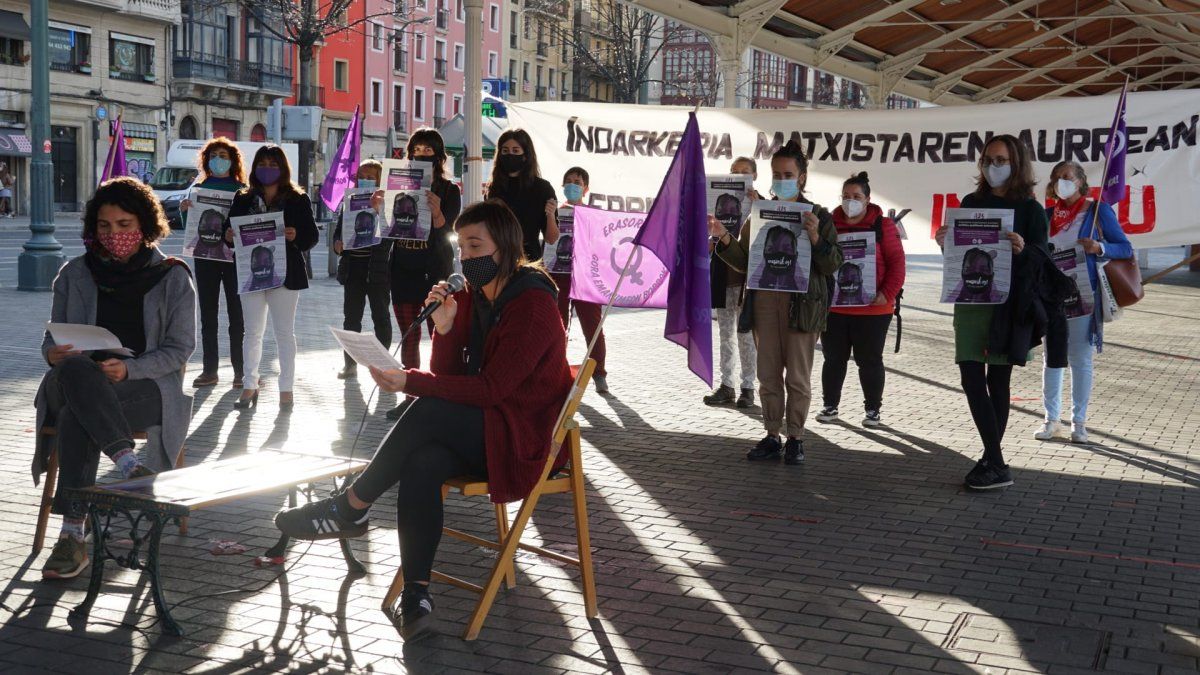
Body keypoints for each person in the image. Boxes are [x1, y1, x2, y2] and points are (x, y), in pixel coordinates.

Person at [273, 200, 572, 640]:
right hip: (483, 425)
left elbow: (491, 390)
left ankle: (351, 506)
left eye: (476, 246)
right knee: (423, 462)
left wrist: (411, 380)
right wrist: (447, 329)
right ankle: (417, 593)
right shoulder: (473, 297)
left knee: (427, 408)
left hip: (522, 436)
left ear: (506, 247)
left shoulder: (532, 302)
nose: (466, 257)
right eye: (461, 246)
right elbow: (453, 379)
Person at [34, 177, 196, 579]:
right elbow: (51, 338)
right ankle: (127, 462)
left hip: (142, 386)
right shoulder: (74, 272)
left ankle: (72, 535)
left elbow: (180, 349)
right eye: (105, 227)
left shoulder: (173, 276)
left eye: (124, 225)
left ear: (144, 225)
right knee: (74, 369)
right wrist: (50, 352)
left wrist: (130, 369)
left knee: (78, 417)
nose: (114, 235)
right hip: (72, 378)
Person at [712, 141, 843, 466]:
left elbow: (833, 264)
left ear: (801, 177)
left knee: (797, 378)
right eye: (776, 174)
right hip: (764, 305)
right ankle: (772, 434)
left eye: (788, 174)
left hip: (802, 309)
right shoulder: (759, 213)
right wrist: (723, 236)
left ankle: (795, 439)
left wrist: (815, 238)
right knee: (768, 376)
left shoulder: (818, 216)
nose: (781, 179)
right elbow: (744, 261)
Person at [934, 134, 1051, 490]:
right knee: (971, 378)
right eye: (988, 159)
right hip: (970, 303)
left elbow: (1042, 261)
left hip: (1009, 305)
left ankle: (991, 461)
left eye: (1001, 160)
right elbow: (960, 257)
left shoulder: (1031, 210)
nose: (993, 166)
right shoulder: (971, 201)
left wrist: (1023, 249)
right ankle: (996, 460)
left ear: (1016, 164)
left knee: (998, 381)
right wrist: (945, 242)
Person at [1036, 160, 1132, 444]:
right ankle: (1051, 420)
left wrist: (1099, 247)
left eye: (1068, 177)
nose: (1062, 182)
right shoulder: (1047, 214)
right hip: (1050, 294)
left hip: (1083, 294)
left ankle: (1079, 423)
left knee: (1080, 359)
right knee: (1051, 358)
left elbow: (1125, 247)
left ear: (1080, 182)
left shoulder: (1096, 210)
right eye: (1057, 178)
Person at [224, 145, 318, 412]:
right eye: (263, 163)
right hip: (250, 274)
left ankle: (286, 389)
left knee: (284, 334)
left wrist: (295, 235)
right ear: (255, 168)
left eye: (273, 164)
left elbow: (311, 237)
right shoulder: (242, 198)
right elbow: (227, 231)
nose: (268, 169)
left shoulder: (297, 199)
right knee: (252, 332)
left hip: (285, 275)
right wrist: (228, 236)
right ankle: (249, 385)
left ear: (283, 168)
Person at [817, 171, 906, 427]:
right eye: (846, 196)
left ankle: (872, 410)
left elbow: (897, 264)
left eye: (856, 196)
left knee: (869, 361)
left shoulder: (883, 225)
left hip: (873, 309)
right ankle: (830, 406)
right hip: (836, 307)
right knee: (833, 359)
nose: (850, 201)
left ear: (867, 200)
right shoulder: (829, 224)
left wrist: (886, 294)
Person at [385, 129, 462, 419]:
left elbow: (450, 231)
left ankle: (442, 393)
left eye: (428, 150)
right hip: (403, 270)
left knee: (439, 335)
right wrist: (381, 208)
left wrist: (439, 213)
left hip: (434, 272)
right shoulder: (399, 185)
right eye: (417, 149)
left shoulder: (449, 189)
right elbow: (387, 229)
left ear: (439, 155)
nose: (422, 154)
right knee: (408, 336)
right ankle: (411, 396)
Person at [182, 138, 247, 388]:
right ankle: (210, 370)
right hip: (205, 257)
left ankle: (240, 371)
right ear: (207, 161)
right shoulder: (199, 187)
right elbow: (191, 223)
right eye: (213, 156)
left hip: (233, 259)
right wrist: (185, 209)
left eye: (223, 155)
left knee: (237, 317)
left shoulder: (242, 189)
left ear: (232, 160)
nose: (218, 160)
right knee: (208, 315)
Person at [704, 157, 758, 409]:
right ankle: (727, 385)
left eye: (744, 172)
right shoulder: (717, 204)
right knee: (725, 335)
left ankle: (748, 387)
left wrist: (759, 206)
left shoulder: (761, 204)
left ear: (754, 176)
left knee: (745, 335)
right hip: (722, 278)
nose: (739, 176)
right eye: (734, 172)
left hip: (746, 281)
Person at [332, 160, 391, 380]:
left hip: (377, 269)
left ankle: (384, 366)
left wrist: (379, 210)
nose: (364, 179)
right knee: (351, 320)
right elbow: (339, 232)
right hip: (353, 268)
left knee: (381, 318)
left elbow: (392, 233)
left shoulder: (388, 203)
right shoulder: (350, 201)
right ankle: (350, 365)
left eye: (370, 176)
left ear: (379, 180)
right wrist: (337, 243)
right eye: (361, 176)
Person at [553, 167, 608, 393]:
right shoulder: (555, 211)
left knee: (592, 327)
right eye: (569, 181)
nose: (573, 185)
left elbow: (602, 246)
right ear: (563, 186)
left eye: (578, 182)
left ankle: (599, 374)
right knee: (557, 327)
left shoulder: (594, 215)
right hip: (559, 275)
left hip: (586, 279)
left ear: (586, 188)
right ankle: (556, 372)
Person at [486, 128, 559, 263]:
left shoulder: (542, 188)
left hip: (530, 260)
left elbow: (551, 238)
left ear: (526, 155)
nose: (510, 155)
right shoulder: (494, 187)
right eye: (505, 151)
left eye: (515, 150)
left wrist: (550, 215)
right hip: (498, 260)